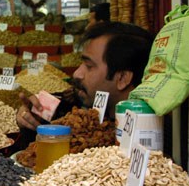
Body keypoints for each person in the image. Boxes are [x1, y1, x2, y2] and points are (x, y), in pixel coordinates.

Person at [16, 22, 154, 132]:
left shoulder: (146, 135)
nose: (77, 74)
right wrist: (36, 122)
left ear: (122, 78)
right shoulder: (86, 115)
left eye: (89, 66)